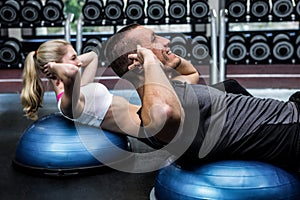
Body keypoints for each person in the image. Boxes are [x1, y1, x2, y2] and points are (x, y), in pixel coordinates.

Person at [105, 24, 300, 171]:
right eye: (155, 39)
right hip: (294, 127)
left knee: (229, 85)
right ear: (136, 62)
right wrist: (149, 62)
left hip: (290, 113)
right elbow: (164, 113)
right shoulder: (158, 110)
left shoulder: (172, 91)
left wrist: (170, 59)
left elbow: (191, 74)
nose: (166, 41)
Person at [20, 38, 201, 138]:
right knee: (190, 82)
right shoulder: (68, 103)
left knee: (192, 77)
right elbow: (71, 73)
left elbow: (92, 57)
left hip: (147, 113)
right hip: (152, 128)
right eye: (74, 57)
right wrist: (53, 67)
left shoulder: (78, 90)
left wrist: (72, 60)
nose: (79, 62)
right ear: (56, 66)